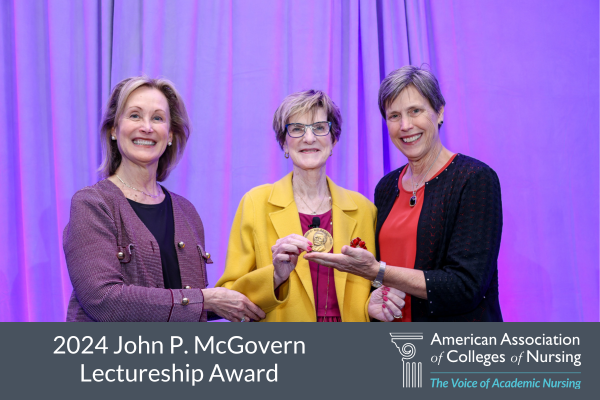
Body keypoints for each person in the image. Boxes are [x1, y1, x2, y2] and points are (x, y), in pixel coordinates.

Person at [305, 66, 503, 322]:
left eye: (415, 111)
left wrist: (377, 271)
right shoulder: (386, 187)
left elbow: (466, 286)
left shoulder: (474, 178)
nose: (405, 125)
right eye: (394, 116)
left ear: (439, 111)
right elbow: (383, 281)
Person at [63, 76, 265, 322]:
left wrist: (275, 276)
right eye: (135, 115)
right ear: (114, 130)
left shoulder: (186, 212)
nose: (147, 127)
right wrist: (206, 299)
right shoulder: (92, 204)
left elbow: (188, 306)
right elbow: (102, 300)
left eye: (157, 118)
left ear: (170, 135)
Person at [216, 90, 405, 322]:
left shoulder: (364, 209)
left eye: (319, 127)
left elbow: (373, 282)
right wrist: (275, 276)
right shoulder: (255, 203)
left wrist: (372, 305)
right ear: (284, 143)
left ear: (333, 139)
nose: (308, 138)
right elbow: (231, 295)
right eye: (296, 129)